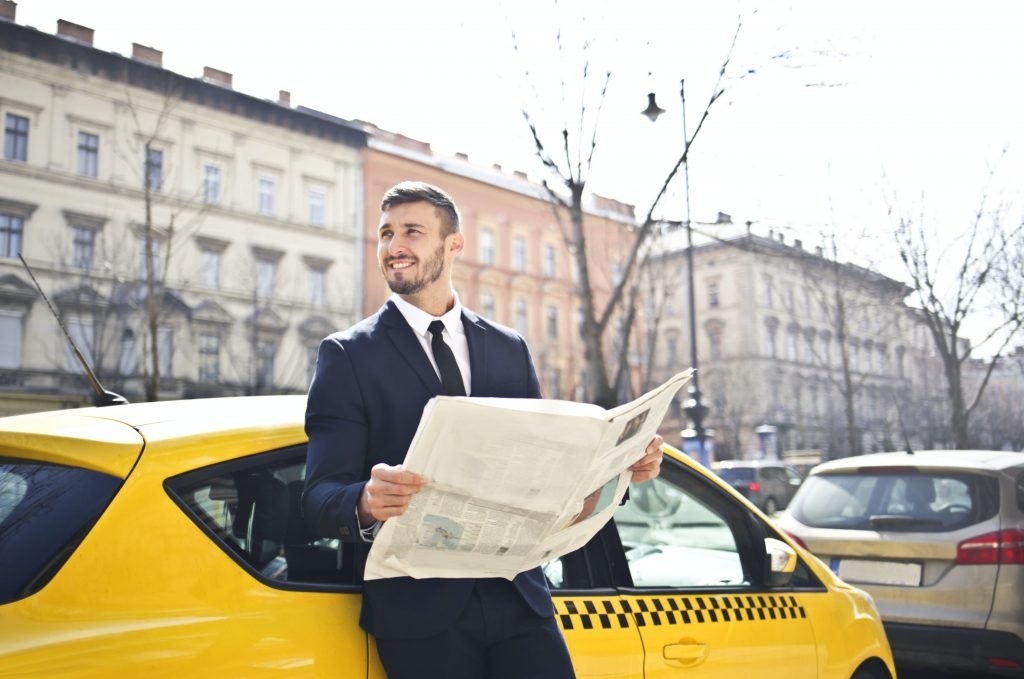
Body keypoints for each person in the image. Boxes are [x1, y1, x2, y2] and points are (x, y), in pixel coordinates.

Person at [303, 181, 664, 679]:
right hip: (419, 614)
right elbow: (318, 495)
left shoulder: (508, 347)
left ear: (454, 245)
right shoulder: (347, 356)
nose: (394, 246)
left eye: (411, 231)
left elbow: (547, 472)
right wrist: (364, 501)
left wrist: (623, 469)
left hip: (520, 599)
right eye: (386, 233)